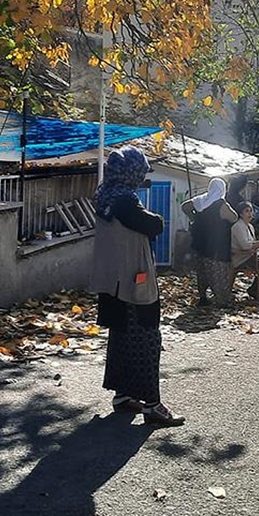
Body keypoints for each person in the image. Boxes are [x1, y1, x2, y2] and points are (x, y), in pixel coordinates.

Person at [90, 145, 183, 427]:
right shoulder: (126, 202)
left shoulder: (103, 195)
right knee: (147, 341)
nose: (143, 177)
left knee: (121, 338)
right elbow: (154, 225)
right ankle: (153, 406)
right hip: (134, 280)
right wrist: (156, 217)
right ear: (131, 173)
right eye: (141, 172)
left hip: (111, 281)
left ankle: (122, 396)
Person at [181, 177, 238, 306]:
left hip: (200, 244)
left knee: (202, 273)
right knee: (218, 274)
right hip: (216, 246)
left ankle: (203, 297)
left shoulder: (201, 200)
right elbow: (234, 218)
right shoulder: (222, 205)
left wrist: (193, 217)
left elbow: (184, 206)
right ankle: (222, 300)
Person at [231, 201, 259, 301]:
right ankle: (255, 291)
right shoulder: (237, 226)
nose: (250, 214)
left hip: (250, 255)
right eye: (246, 211)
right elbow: (245, 246)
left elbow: (253, 243)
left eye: (251, 211)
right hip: (241, 257)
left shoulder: (250, 226)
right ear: (241, 214)